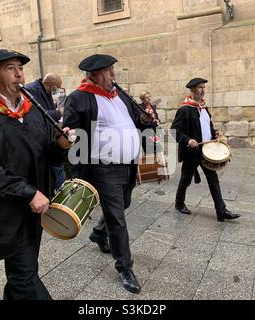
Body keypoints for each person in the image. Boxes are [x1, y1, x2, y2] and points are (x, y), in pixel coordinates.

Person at [0, 48, 75, 300]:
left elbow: (46, 153)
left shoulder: (31, 109)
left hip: (35, 206)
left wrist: (60, 145)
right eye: (10, 69)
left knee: (23, 270)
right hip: (6, 210)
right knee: (24, 276)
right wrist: (28, 193)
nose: (19, 75)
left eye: (20, 68)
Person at [63, 54, 155, 294]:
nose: (113, 75)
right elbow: (71, 135)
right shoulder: (80, 97)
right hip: (103, 167)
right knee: (117, 217)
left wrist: (145, 120)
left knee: (123, 204)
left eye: (113, 70)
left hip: (128, 164)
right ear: (93, 75)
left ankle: (97, 234)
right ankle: (125, 267)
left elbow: (137, 121)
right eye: (108, 71)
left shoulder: (120, 95)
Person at [170, 77, 241, 222]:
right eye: (200, 87)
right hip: (192, 153)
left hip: (207, 151)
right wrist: (188, 140)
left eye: (204, 87)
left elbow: (207, 127)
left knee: (213, 179)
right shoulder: (185, 109)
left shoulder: (204, 108)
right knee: (185, 179)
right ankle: (179, 203)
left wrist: (215, 133)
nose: (203, 90)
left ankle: (221, 211)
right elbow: (174, 131)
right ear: (192, 90)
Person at [25, 73, 66, 191]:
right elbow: (38, 115)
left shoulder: (44, 90)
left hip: (50, 137)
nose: (58, 90)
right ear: (51, 85)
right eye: (58, 87)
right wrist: (59, 113)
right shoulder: (31, 90)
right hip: (41, 140)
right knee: (55, 170)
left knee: (57, 168)